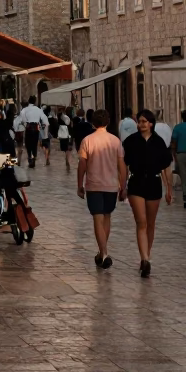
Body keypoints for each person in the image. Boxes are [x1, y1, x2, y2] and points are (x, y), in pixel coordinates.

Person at [122, 109, 173, 277]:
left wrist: (169, 189)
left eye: (144, 121)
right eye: (139, 121)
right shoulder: (130, 141)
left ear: (151, 123)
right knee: (141, 221)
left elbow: (166, 166)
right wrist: (122, 185)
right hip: (136, 182)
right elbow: (124, 164)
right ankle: (144, 258)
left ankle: (147, 254)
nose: (141, 124)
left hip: (153, 182)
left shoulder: (159, 142)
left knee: (150, 223)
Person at [77, 107, 128, 269]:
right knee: (106, 217)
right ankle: (102, 252)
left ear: (93, 122)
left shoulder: (88, 140)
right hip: (111, 185)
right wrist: (123, 185)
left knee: (97, 218)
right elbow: (122, 165)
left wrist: (79, 184)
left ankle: (104, 252)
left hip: (94, 184)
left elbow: (82, 164)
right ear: (108, 122)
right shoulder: (115, 141)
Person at [20, 96, 48, 169]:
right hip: (36, 127)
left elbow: (23, 119)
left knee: (28, 144)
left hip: (29, 127)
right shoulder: (38, 110)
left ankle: (30, 157)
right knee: (34, 144)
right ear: (35, 101)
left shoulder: (24, 110)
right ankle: (33, 158)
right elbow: (43, 118)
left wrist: (26, 123)